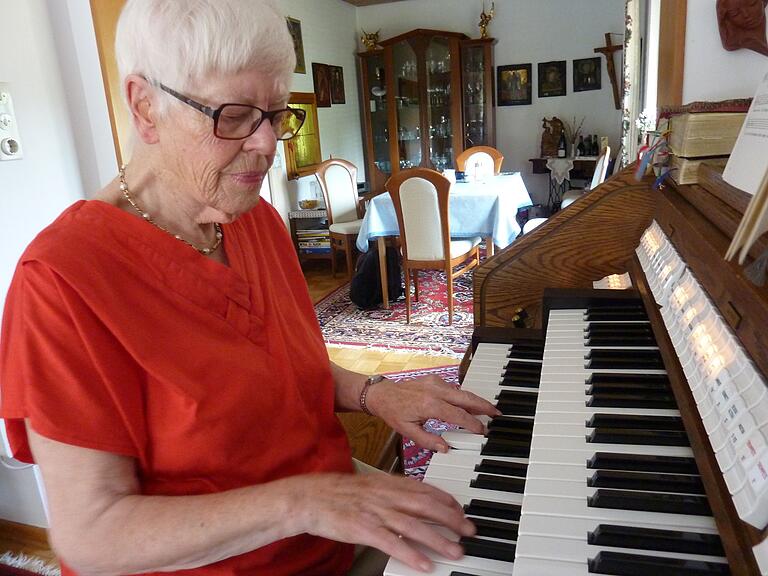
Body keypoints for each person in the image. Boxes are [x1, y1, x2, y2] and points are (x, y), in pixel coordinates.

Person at [0, 1, 499, 575]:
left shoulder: (253, 218)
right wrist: (302, 503)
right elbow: (92, 536)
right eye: (234, 115)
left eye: (277, 114)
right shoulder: (62, 281)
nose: (267, 144)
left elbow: (285, 369)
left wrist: (375, 394)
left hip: (326, 528)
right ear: (145, 107)